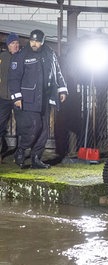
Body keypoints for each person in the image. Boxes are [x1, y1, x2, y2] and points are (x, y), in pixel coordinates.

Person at [8, 29, 68, 169]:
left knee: (44, 131)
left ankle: (36, 159)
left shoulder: (50, 54)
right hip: (29, 99)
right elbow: (13, 77)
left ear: (42, 41)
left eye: (37, 41)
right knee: (34, 127)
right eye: (32, 41)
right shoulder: (22, 55)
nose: (34, 44)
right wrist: (16, 96)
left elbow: (57, 72)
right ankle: (21, 150)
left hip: (45, 99)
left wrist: (62, 89)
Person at [0, 32, 20, 163]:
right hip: (3, 98)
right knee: (0, 125)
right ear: (8, 45)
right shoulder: (2, 57)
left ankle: (20, 153)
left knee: (22, 126)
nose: (16, 45)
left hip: (18, 98)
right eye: (13, 43)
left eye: (17, 43)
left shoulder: (23, 57)